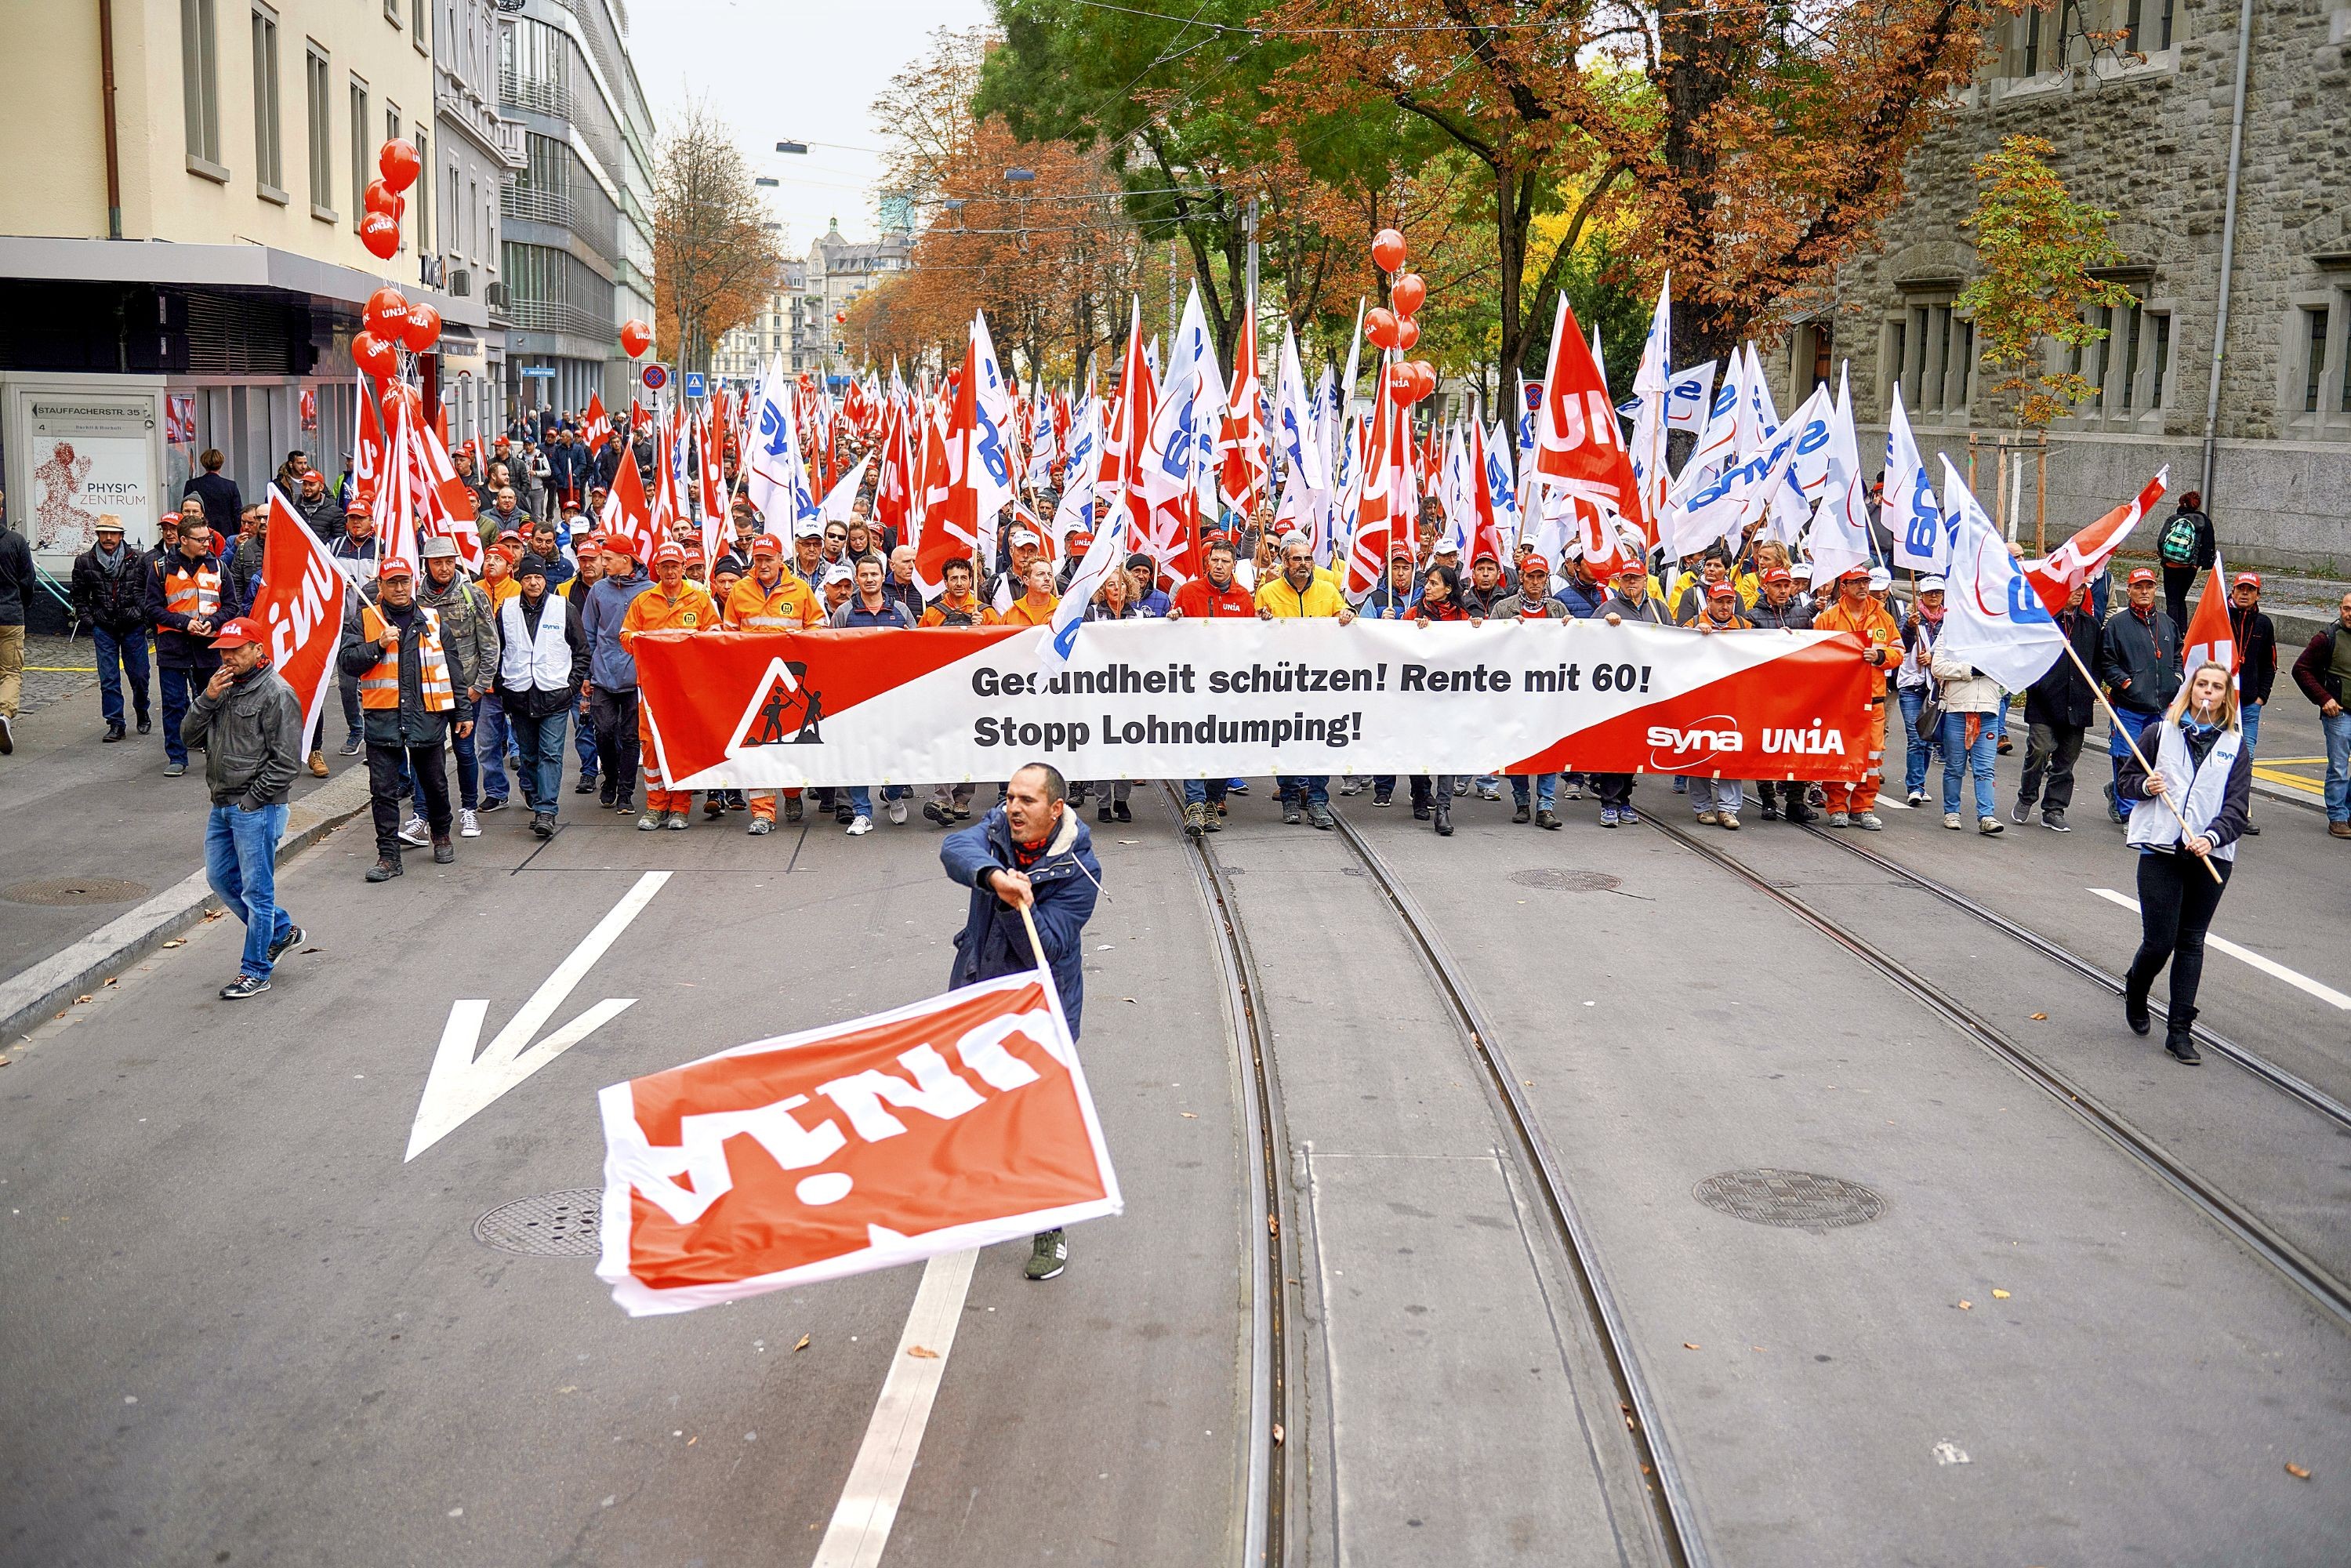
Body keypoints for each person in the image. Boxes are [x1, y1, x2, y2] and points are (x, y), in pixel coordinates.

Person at [941, 761, 1101, 1282]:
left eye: (1026, 800)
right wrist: (992, 876)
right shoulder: (994, 830)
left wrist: (1014, 904)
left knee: (1038, 1120)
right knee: (967, 1101)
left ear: (1055, 809)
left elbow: (1048, 945)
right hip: (978, 990)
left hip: (1038, 1010)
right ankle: (972, 1201)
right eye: (1010, 796)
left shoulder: (1082, 871)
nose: (1012, 808)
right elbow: (954, 849)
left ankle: (1050, 1229)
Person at [2118, 661, 2249, 1064]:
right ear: (2191, 690)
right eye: (2201, 685)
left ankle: (2179, 1032)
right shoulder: (2159, 733)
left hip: (2210, 856)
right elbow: (2124, 782)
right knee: (2160, 941)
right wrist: (2144, 784)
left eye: (2217, 687)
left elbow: (2237, 808)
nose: (2208, 692)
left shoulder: (2236, 745)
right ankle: (2137, 989)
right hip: (2161, 851)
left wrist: (2212, 837)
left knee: (2191, 941)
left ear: (2226, 697)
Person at [183, 617, 305, 998]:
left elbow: (287, 762)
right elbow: (188, 737)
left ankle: (255, 970)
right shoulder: (223, 687)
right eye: (223, 650)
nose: (228, 657)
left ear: (258, 650)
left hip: (257, 806)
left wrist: (253, 802)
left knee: (257, 891)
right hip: (222, 802)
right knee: (220, 878)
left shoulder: (277, 693)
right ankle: (281, 929)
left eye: (237, 649)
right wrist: (207, 699)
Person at [343, 556, 473, 880]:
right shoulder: (365, 620)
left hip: (426, 715)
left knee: (434, 784)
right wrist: (377, 646)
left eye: (404, 582)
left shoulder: (432, 620)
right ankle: (388, 857)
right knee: (383, 791)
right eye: (392, 583)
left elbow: (452, 669)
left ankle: (441, 833)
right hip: (382, 718)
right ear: (381, 586)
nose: (399, 588)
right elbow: (347, 662)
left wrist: (463, 711)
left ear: (413, 583)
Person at [724, 534, 825, 833]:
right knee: (756, 745)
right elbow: (727, 636)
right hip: (752, 682)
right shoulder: (740, 591)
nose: (763, 564)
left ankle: (792, 792)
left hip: (788, 685)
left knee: (788, 742)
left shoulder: (800, 590)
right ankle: (763, 813)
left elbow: (818, 627)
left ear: (781, 559)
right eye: (759, 559)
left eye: (769, 559)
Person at [1255, 533, 1354, 827]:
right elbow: (1250, 633)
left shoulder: (1328, 589)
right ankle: (1288, 798)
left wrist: (1348, 615)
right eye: (1296, 558)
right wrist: (1259, 619)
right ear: (1284, 562)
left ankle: (1318, 800)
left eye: (1307, 558)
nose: (1303, 564)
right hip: (1283, 682)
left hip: (1320, 682)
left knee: (1320, 740)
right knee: (1285, 739)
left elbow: (1344, 616)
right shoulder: (1268, 592)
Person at [619, 542, 719, 830]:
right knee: (651, 747)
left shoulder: (699, 601)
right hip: (653, 689)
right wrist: (642, 641)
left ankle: (680, 807)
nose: (671, 571)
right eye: (665, 566)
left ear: (684, 568)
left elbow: (714, 635)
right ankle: (655, 806)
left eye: (675, 565)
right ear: (658, 569)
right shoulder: (643, 601)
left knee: (681, 747)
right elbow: (625, 637)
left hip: (687, 690)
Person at [493, 554, 590, 839]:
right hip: (519, 694)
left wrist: (572, 686)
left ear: (545, 580)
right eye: (527, 578)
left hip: (555, 696)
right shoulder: (507, 610)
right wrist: (501, 683)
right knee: (529, 756)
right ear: (519, 580)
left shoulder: (564, 608)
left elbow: (581, 651)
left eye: (538, 578)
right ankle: (535, 796)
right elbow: (497, 650)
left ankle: (546, 810)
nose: (533, 583)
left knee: (550, 754)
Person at [1169, 535, 1256, 835]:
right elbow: (1172, 629)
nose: (1219, 566)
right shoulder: (1190, 592)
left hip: (1229, 685)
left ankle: (1214, 798)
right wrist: (1174, 618)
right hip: (1195, 684)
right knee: (1195, 740)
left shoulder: (1244, 597)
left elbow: (1251, 641)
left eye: (1226, 562)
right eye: (1215, 560)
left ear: (1234, 566)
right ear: (1208, 562)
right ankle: (1194, 801)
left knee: (1224, 744)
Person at [415, 536, 495, 837]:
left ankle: (469, 810)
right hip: (428, 691)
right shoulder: (416, 600)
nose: (445, 568)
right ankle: (421, 813)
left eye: (449, 561)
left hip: (465, 691)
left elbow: (490, 645)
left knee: (464, 752)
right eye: (438, 562)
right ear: (428, 565)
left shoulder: (472, 595)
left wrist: (480, 686)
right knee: (424, 752)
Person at [832, 554, 918, 835]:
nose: (869, 579)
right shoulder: (844, 613)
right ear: (857, 579)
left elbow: (919, 650)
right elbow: (828, 654)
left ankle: (892, 793)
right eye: (864, 575)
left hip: (895, 697)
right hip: (857, 698)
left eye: (874, 574)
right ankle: (862, 812)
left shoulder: (902, 611)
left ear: (883, 577)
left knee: (896, 751)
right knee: (859, 753)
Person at [1812, 564, 1900, 829]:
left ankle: (1863, 807)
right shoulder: (1828, 619)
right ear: (1844, 587)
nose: (1863, 586)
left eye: (1866, 581)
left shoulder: (1883, 617)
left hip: (1873, 700)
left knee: (1873, 757)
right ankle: (1837, 805)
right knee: (1840, 754)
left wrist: (1881, 656)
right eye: (1857, 582)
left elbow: (1897, 649)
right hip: (1841, 700)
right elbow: (1815, 654)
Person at [145, 517, 230, 777]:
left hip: (208, 646)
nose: (207, 543)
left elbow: (231, 607)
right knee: (173, 703)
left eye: (208, 539)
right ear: (184, 541)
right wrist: (184, 623)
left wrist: (212, 621)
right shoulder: (160, 568)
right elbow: (151, 608)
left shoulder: (219, 568)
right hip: (173, 646)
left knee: (212, 701)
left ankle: (214, 751)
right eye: (201, 540)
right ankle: (177, 756)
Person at [2015, 581, 2101, 832]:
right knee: (2040, 749)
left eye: (2082, 589)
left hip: (2078, 704)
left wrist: (2090, 687)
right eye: (2073, 588)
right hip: (2044, 702)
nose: (2078, 593)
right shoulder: (2043, 623)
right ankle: (2027, 795)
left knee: (2066, 760)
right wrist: (2039, 686)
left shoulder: (2090, 625)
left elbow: (2096, 663)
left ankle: (2054, 808)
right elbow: (2027, 659)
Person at [1494, 552, 1572, 827]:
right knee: (1519, 747)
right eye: (1531, 577)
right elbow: (1489, 645)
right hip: (1515, 692)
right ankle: (1522, 802)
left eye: (1541, 577)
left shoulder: (1558, 610)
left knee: (1549, 748)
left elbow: (1574, 646)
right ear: (1522, 578)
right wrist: (1503, 629)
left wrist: (1573, 628)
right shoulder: (1504, 609)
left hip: (1549, 693)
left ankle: (1546, 807)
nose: (1536, 582)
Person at [2101, 566, 2180, 824]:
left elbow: (2178, 655)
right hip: (2128, 707)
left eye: (2149, 586)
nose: (2144, 591)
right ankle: (2127, 813)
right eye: (2138, 587)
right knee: (2126, 757)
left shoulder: (2167, 623)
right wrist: (2124, 683)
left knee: (2156, 759)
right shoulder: (2117, 624)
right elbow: (2107, 661)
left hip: (2160, 707)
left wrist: (2176, 680)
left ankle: (2125, 795)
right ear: (2130, 591)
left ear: (2156, 590)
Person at [582, 539, 651, 814]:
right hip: (603, 675)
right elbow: (588, 634)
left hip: (636, 677)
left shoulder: (649, 591)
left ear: (626, 559)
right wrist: (586, 674)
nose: (603, 563)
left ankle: (625, 792)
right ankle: (609, 779)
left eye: (608, 558)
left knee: (631, 736)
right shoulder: (598, 590)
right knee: (604, 732)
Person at [1679, 579, 1754, 828]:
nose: (1725, 606)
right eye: (1720, 601)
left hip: (1734, 698)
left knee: (1730, 751)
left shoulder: (1744, 626)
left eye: (1729, 601)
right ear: (1709, 601)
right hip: (1701, 699)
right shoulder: (1693, 624)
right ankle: (1702, 807)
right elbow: (1675, 653)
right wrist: (1691, 636)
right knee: (1701, 751)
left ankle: (1728, 809)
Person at [71, 515, 153, 743]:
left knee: (139, 675)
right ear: (97, 535)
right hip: (103, 626)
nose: (108, 537)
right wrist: (89, 620)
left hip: (133, 625)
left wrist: (143, 617)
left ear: (121, 535)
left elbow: (149, 593)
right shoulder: (85, 562)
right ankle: (116, 723)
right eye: (104, 533)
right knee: (108, 677)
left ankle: (141, 708)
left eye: (113, 533)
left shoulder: (138, 559)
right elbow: (78, 596)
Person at [1930, 619, 2005, 835]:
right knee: (1955, 765)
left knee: (1985, 769)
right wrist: (1969, 670)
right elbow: (1938, 667)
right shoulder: (1953, 628)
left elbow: (2012, 668)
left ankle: (1986, 816)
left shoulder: (2000, 632)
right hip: (1958, 710)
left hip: (1989, 710)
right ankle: (1952, 812)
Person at [1412, 561, 1471, 833]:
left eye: (1434, 583)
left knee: (1447, 751)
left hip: (1451, 696)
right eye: (1427, 582)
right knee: (1421, 747)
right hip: (1419, 696)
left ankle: (1444, 809)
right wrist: (1412, 629)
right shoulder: (1414, 612)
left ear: (1448, 589)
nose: (1428, 587)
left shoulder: (1461, 617)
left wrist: (1477, 629)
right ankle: (1421, 794)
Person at [2292, 590, 2351, 840]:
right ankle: (2338, 817)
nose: (2350, 614)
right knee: (2339, 767)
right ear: (2340, 609)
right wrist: (2323, 698)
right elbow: (2301, 669)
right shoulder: (2327, 637)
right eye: (2347, 609)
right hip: (2339, 714)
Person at [2223, 572, 2276, 837]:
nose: (2244, 594)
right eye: (2240, 589)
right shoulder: (2220, 615)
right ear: (2232, 591)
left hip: (2249, 705)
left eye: (2250, 590)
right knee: (2219, 757)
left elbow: (2270, 664)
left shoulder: (2264, 624)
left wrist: (2261, 696)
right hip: (2221, 704)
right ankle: (2218, 809)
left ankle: (2239, 813)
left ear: (2258, 595)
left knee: (2246, 758)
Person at [328, 502, 381, 756]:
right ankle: (355, 730)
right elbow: (323, 577)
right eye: (352, 518)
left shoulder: (382, 546)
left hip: (376, 624)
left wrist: (379, 586)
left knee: (376, 681)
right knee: (347, 684)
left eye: (361, 518)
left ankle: (376, 733)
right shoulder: (335, 547)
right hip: (345, 623)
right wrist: (336, 585)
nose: (356, 523)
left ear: (371, 520)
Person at [2154, 491, 2215, 633]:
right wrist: (2198, 564)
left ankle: (2172, 633)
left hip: (2171, 566)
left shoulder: (2174, 519)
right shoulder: (2205, 521)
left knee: (2172, 601)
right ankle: (2183, 632)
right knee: (2181, 598)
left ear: (2182, 503)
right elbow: (2209, 546)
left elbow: (2161, 541)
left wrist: (2164, 557)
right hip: (2190, 568)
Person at [0, 498, 29, 754]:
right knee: (10, 671)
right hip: (9, 615)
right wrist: (22, 605)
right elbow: (27, 581)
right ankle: (5, 714)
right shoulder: (15, 542)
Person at [180, 448, 242, 537]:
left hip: (198, 531)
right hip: (226, 532)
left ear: (203, 464)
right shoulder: (230, 486)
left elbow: (186, 510)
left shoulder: (192, 485)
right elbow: (237, 513)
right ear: (221, 464)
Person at [1000, 557, 1060, 628]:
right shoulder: (1010, 616)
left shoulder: (1062, 610)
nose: (1047, 578)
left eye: (1050, 575)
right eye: (1040, 574)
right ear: (1026, 580)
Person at [288, 467, 341, 539]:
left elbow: (339, 542)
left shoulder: (335, 512)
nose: (307, 488)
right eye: (304, 484)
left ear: (321, 487)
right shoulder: (293, 510)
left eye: (311, 485)